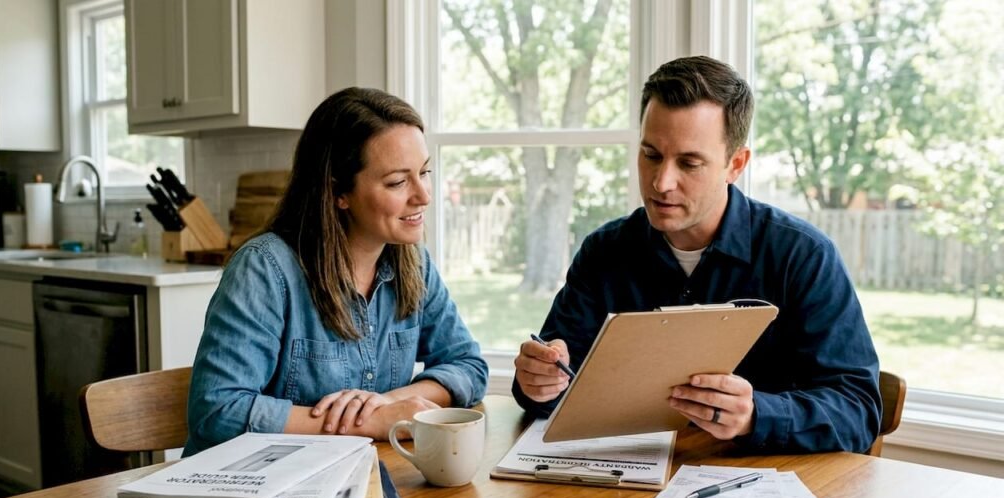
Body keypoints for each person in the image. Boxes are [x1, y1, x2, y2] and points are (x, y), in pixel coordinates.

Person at [512, 56, 880, 453]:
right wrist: (537, 381)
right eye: (651, 154)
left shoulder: (802, 256)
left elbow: (858, 409)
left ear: (735, 164)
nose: (661, 181)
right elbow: (554, 383)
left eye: (689, 163)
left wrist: (757, 414)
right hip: (617, 491)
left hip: (754, 489)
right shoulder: (604, 252)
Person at [184, 87, 488, 456]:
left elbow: (469, 366)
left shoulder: (413, 264)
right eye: (397, 181)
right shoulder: (265, 269)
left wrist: (387, 404)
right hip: (246, 489)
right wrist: (365, 423)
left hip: (349, 480)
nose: (423, 195)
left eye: (424, 172)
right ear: (337, 193)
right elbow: (217, 412)